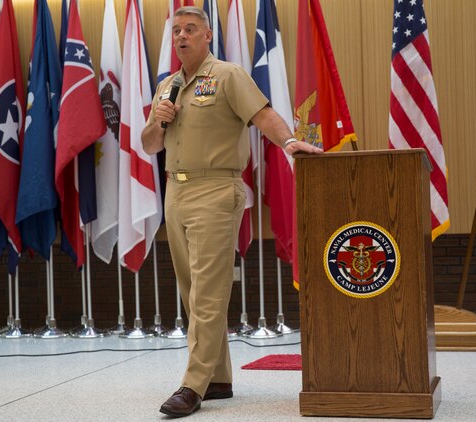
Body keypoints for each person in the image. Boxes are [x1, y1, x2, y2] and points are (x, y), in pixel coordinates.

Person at [141, 6, 323, 418]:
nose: (182, 37)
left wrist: (290, 143)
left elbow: (262, 115)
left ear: (207, 36)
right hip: (176, 191)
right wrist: (160, 121)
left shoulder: (227, 75)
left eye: (190, 30)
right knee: (191, 291)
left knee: (208, 291)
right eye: (177, 31)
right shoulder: (167, 87)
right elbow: (150, 144)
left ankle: (192, 384)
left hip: (216, 189)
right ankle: (219, 378)